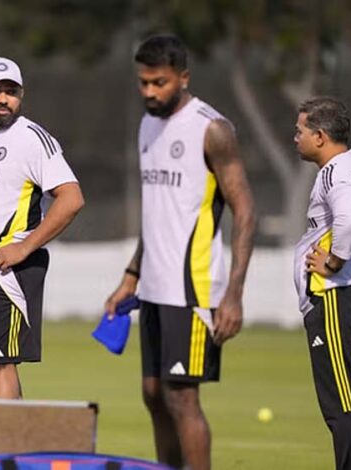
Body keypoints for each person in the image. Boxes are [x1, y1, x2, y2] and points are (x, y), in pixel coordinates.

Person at [104, 35, 255, 470]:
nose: (150, 92)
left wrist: (234, 294)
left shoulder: (212, 129)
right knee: (153, 393)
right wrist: (131, 276)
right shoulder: (146, 125)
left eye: (160, 83)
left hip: (193, 288)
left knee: (182, 397)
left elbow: (246, 211)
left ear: (183, 78)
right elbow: (157, 213)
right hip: (153, 286)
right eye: (144, 82)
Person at [0, 57, 84, 399]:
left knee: (1, 364)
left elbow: (71, 199)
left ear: (21, 95)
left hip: (7, 272)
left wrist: (24, 248)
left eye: (11, 91)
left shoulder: (32, 138)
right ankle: (14, 435)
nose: (3, 99)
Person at [293, 97, 351, 470]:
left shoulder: (335, 173)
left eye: (300, 130)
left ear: (320, 136)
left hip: (335, 297)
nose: (295, 137)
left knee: (341, 406)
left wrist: (334, 261)